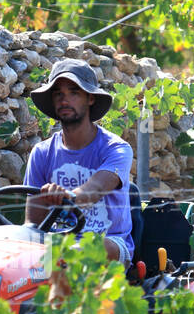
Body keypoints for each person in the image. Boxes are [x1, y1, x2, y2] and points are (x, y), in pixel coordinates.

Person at [22, 59, 134, 264]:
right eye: (58, 94)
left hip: (109, 244)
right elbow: (32, 223)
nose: (65, 101)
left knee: (85, 249)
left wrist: (68, 197)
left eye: (74, 92)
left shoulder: (116, 149)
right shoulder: (41, 153)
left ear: (90, 98)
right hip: (56, 248)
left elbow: (97, 187)